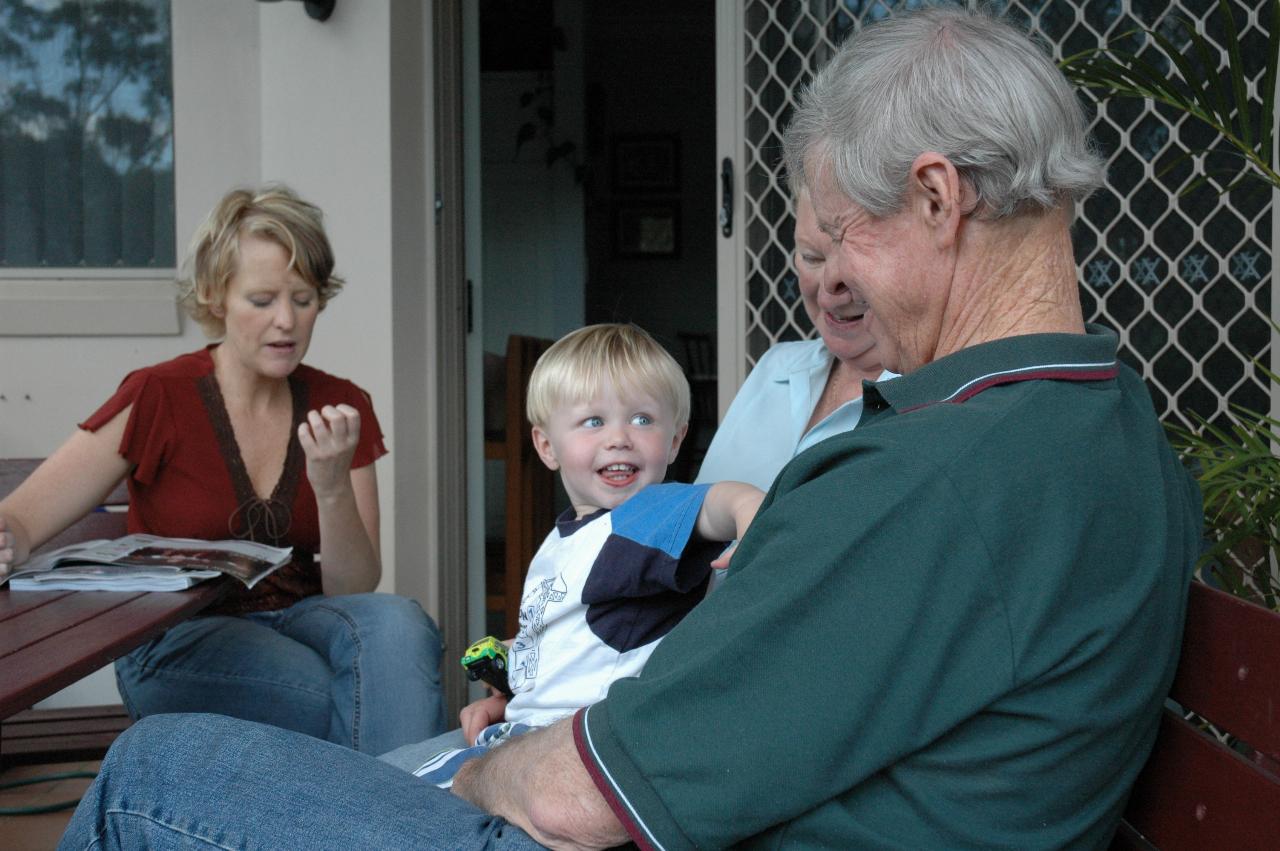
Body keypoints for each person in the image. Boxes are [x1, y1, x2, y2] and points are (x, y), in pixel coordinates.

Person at [59, 8, 1204, 849]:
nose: (831, 283)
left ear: (937, 200)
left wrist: (464, 778)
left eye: (839, 236)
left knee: (157, 767)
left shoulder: (938, 467)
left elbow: (581, 795)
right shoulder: (1111, 431)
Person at [1, 185, 446, 755]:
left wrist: (331, 486)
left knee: (400, 623)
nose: (286, 321)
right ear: (216, 298)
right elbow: (21, 516)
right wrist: (8, 535)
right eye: (262, 300)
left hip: (307, 619)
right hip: (181, 639)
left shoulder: (342, 403)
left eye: (303, 299)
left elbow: (354, 587)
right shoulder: (158, 395)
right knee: (365, 698)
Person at [379, 323, 763, 785]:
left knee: (386, 791)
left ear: (676, 440)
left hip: (573, 753)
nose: (619, 437)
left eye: (643, 419)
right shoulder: (572, 536)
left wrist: (749, 512)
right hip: (532, 733)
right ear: (547, 446)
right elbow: (576, 641)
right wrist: (519, 684)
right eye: (594, 421)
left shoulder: (647, 515)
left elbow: (718, 501)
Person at [695, 187, 897, 492]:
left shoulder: (930, 397)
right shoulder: (777, 366)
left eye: (855, 259)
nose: (829, 286)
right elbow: (696, 505)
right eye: (812, 257)